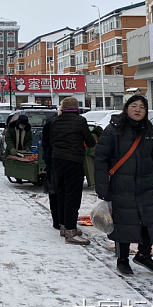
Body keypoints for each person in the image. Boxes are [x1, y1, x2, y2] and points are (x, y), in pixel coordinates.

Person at [94, 95, 153, 275]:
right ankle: (122, 259)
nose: (138, 109)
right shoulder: (113, 130)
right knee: (124, 224)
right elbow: (101, 159)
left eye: (142, 107)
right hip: (121, 186)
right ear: (126, 108)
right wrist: (103, 188)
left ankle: (144, 255)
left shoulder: (150, 130)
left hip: (146, 186)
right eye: (134, 105)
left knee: (150, 221)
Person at [46, 97, 96, 245]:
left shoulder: (54, 121)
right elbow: (90, 141)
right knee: (73, 196)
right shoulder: (80, 121)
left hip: (57, 161)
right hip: (74, 161)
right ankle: (70, 230)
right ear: (76, 108)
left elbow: (50, 141)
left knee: (61, 193)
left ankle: (63, 225)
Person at [41, 114, 60, 230]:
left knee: (54, 192)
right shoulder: (52, 124)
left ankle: (57, 220)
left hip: (52, 161)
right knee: (60, 192)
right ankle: (61, 221)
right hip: (61, 162)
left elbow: (44, 143)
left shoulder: (50, 123)